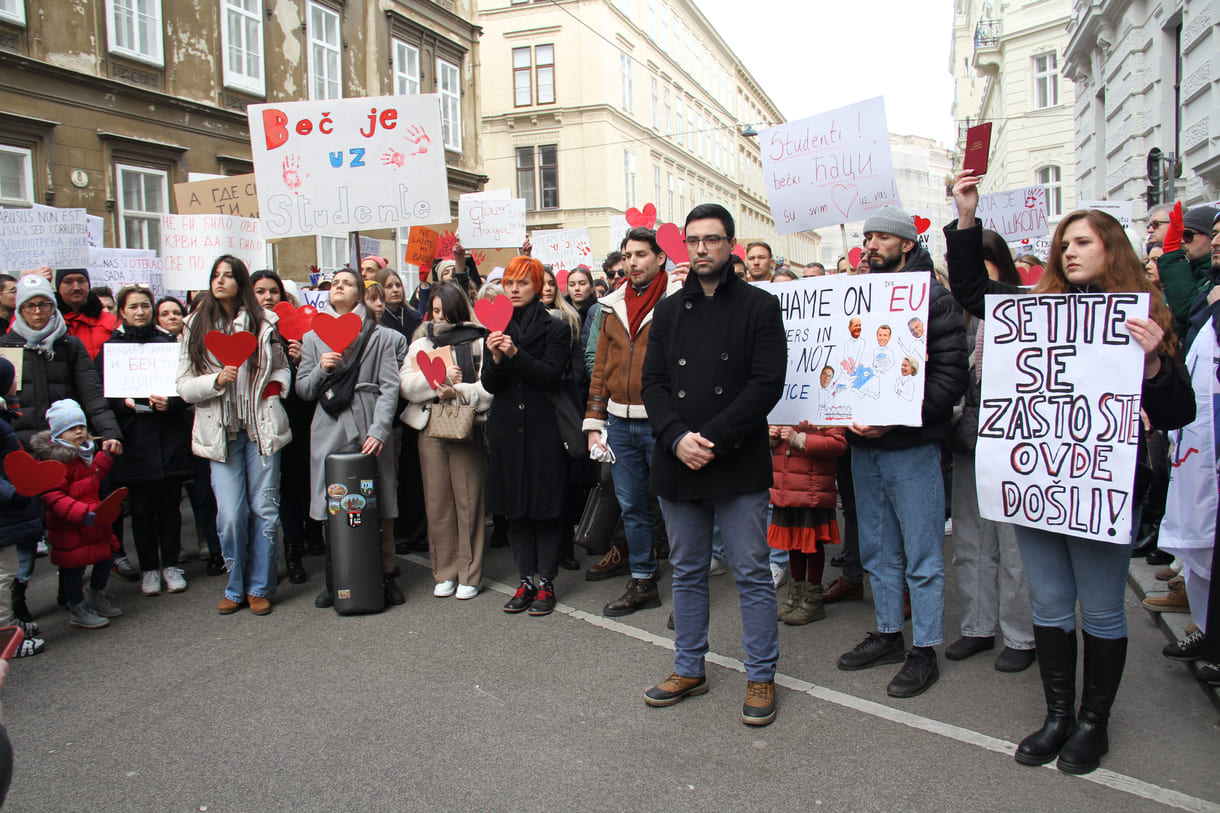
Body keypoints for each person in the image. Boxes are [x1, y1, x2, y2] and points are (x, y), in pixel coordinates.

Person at [947, 169, 1194, 774]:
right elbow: (974, 289)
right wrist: (966, 218)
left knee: (1103, 609)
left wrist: (1156, 359)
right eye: (1065, 244)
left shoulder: (1140, 317)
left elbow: (1177, 410)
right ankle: (1058, 716)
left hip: (1097, 486)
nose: (1070, 251)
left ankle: (1093, 723)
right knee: (1052, 606)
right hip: (1038, 482)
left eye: (1083, 241)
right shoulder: (1034, 308)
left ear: (1111, 249)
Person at [641, 203, 787, 726]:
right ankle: (689, 667)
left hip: (736, 457)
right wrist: (677, 437)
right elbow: (653, 384)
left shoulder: (759, 307)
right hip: (677, 457)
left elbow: (766, 384)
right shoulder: (669, 310)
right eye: (694, 240)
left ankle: (761, 674)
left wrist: (714, 438)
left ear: (731, 245)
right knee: (686, 569)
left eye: (712, 239)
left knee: (749, 570)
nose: (702, 248)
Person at [835, 205, 968, 700]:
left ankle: (924, 650)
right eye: (866, 237)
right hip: (863, 446)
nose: (869, 245)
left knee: (922, 554)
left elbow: (950, 377)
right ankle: (889, 634)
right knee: (876, 549)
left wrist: (895, 417)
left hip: (910, 447)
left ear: (906, 244)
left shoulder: (934, 299)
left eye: (879, 237)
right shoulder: (859, 295)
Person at [176, 255, 292, 617]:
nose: (220, 280)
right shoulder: (194, 325)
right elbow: (183, 386)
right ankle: (234, 584)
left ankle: (259, 586)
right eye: (215, 275)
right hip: (220, 432)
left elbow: (283, 367)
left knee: (265, 511)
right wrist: (215, 381)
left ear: (240, 281)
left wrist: (277, 387)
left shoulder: (265, 323)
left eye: (228, 275)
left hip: (261, 429)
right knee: (229, 514)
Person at [943, 229, 1036, 673]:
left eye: (984, 265)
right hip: (969, 440)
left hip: (1015, 447)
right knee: (970, 539)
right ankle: (977, 626)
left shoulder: (1023, 311)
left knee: (1014, 546)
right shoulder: (959, 315)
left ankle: (1022, 635)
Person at [296, 268, 405, 608]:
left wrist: (379, 429)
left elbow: (390, 387)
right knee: (334, 503)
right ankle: (337, 578)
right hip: (329, 425)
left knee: (380, 502)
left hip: (369, 420)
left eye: (346, 283)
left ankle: (385, 575)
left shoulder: (380, 336)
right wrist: (321, 369)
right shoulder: (313, 337)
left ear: (359, 294)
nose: (338, 287)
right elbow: (302, 389)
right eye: (334, 284)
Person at [585, 227, 679, 617]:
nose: (633, 262)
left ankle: (689, 591)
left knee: (676, 505)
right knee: (632, 506)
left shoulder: (677, 301)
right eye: (628, 255)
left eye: (641, 254)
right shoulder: (611, 305)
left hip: (663, 422)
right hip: (620, 424)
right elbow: (601, 367)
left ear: (660, 258)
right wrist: (594, 419)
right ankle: (643, 580)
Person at [482, 256, 574, 616]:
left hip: (543, 428)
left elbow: (550, 375)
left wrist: (515, 354)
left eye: (522, 282)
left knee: (545, 509)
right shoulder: (496, 324)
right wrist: (496, 359)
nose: (514, 289)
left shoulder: (556, 327)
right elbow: (489, 384)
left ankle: (546, 582)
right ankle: (525, 580)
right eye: (509, 283)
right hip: (506, 428)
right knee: (516, 510)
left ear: (538, 286)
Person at [96, 285, 192, 597]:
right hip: (134, 439)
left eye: (145, 306)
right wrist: (119, 402)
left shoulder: (168, 344)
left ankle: (172, 565)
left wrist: (173, 403)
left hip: (167, 436)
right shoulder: (111, 349)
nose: (140, 312)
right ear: (121, 311)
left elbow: (186, 386)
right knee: (140, 509)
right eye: (133, 307)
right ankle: (149, 568)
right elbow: (100, 395)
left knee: (169, 506)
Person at [400, 281, 492, 599]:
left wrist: (459, 389)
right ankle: (445, 571)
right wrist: (436, 380)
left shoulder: (480, 341)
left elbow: (489, 389)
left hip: (468, 424)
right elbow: (406, 386)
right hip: (430, 426)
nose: (437, 317)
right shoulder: (422, 343)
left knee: (469, 500)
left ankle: (470, 572)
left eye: (443, 311)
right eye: (434, 310)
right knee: (438, 501)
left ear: (457, 310)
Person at [31, 399, 124, 629]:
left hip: (94, 519)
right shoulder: (55, 462)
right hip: (71, 526)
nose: (79, 431)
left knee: (106, 558)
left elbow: (91, 479)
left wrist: (106, 458)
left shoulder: (83, 454)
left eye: (81, 426)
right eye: (72, 429)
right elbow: (54, 497)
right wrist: (83, 514)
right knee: (74, 569)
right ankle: (77, 607)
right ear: (59, 433)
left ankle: (96, 594)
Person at [770, 419, 847, 625]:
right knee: (793, 543)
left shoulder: (825, 401)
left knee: (812, 544)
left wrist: (799, 439)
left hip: (812, 487)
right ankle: (796, 594)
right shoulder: (787, 399)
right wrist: (771, 436)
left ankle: (812, 600)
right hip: (786, 485)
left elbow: (838, 443)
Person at [0, 357, 46, 655]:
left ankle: (10, 624)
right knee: (4, 574)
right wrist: (12, 492)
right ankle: (5, 640)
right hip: (4, 508)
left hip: (8, 509)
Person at [1156, 203, 1220, 339]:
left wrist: (1172, 255)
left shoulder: (1211, 278)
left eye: (1188, 235)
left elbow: (1188, 310)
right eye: (1215, 234)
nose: (1182, 241)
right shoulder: (1192, 270)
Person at [54, 268, 117, 360]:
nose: (76, 287)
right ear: (58, 287)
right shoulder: (50, 324)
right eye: (68, 282)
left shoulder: (113, 322)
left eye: (81, 281)